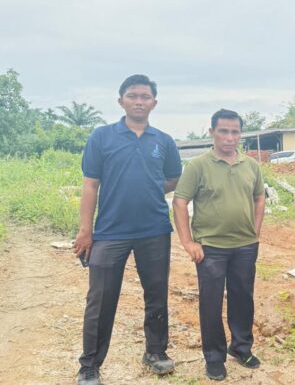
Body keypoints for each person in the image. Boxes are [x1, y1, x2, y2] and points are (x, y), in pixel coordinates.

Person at [73, 74, 182, 385]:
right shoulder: (102, 137)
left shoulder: (163, 141)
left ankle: (156, 352)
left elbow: (174, 178)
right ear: (120, 100)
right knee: (101, 299)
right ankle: (90, 365)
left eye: (145, 96)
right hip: (109, 232)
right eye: (132, 95)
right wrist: (85, 231)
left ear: (154, 103)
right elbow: (91, 185)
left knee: (157, 295)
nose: (139, 101)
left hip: (154, 230)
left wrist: (148, 188)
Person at [173, 109, 266, 381]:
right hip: (210, 248)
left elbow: (259, 198)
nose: (229, 137)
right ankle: (214, 357)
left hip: (245, 246)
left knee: (243, 298)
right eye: (223, 131)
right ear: (212, 132)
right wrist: (187, 241)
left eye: (235, 132)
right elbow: (180, 202)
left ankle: (241, 348)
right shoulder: (198, 166)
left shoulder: (251, 166)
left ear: (241, 134)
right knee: (211, 303)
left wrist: (255, 230)